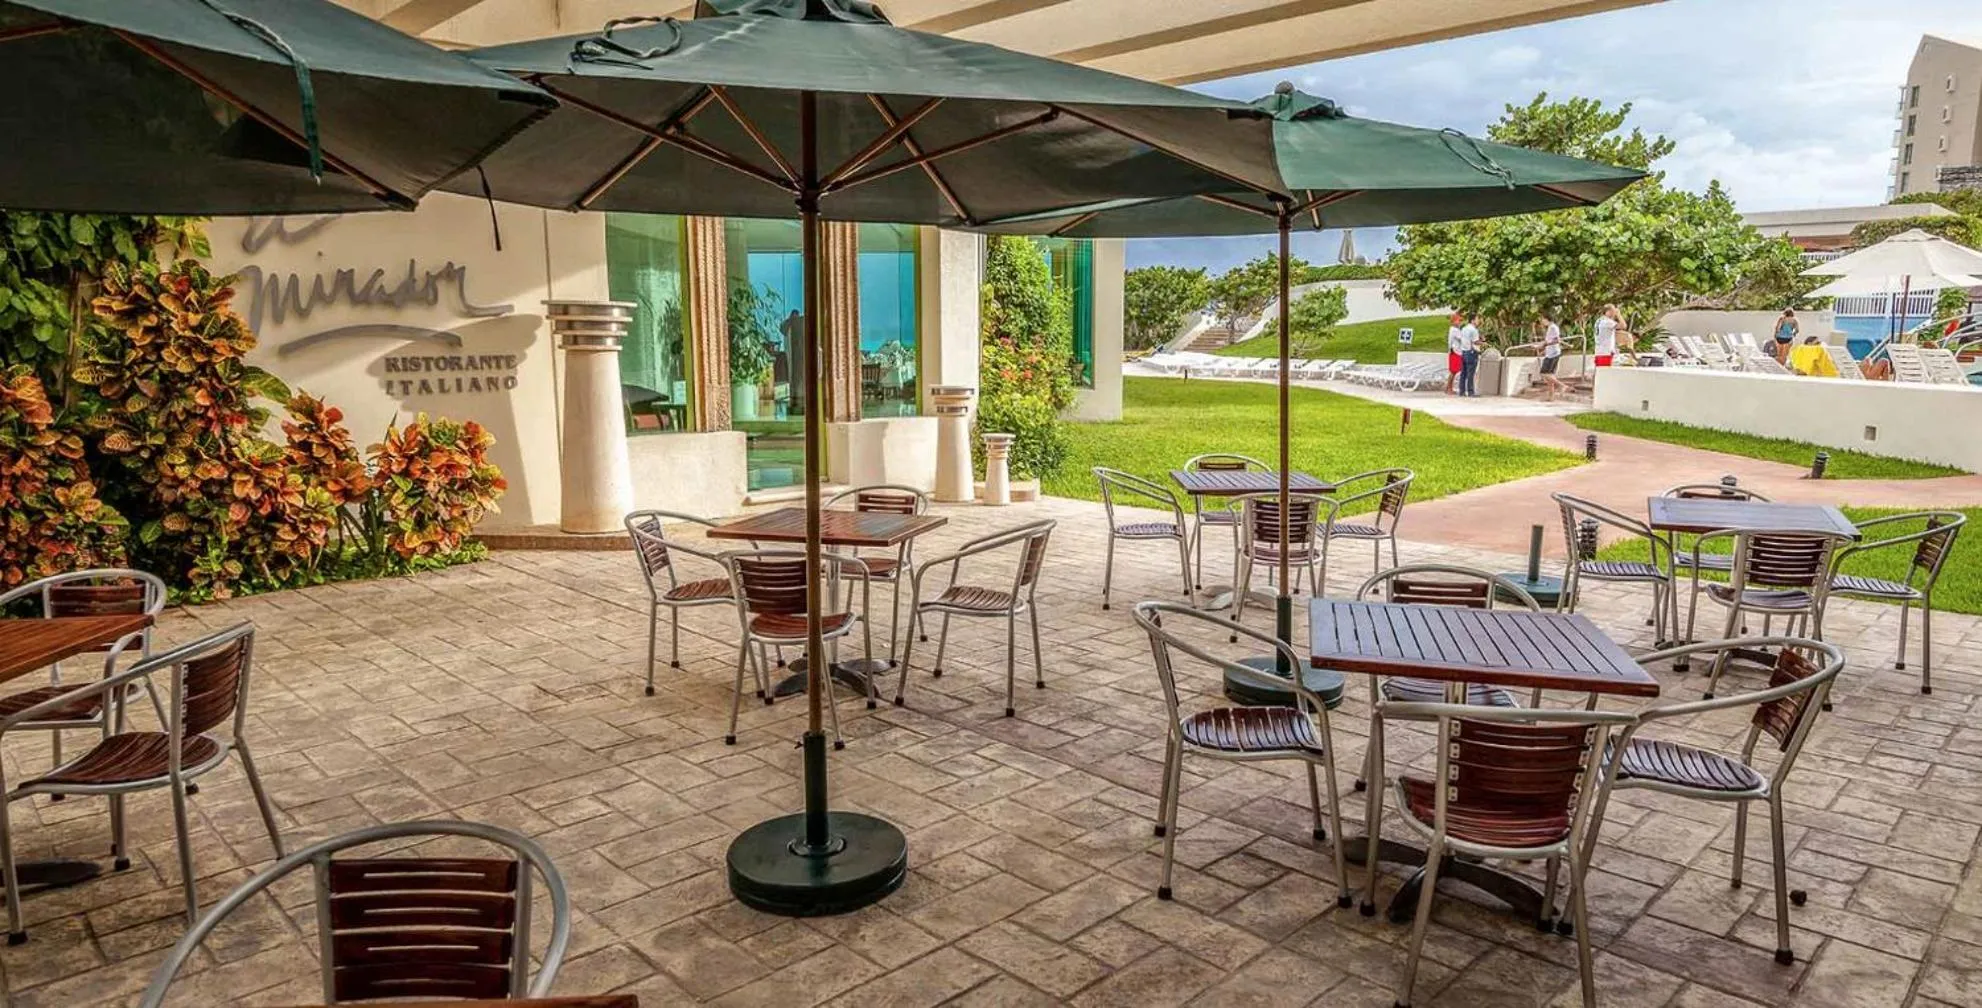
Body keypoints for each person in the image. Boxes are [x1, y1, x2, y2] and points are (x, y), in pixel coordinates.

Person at [1537, 314, 1565, 400]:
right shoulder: (1550, 328)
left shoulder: (1553, 327)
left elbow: (1557, 340)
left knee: (1544, 373)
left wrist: (1542, 345)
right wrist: (1543, 349)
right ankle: (1551, 397)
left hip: (1553, 354)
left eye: (1542, 319)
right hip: (1549, 353)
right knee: (1550, 376)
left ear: (1547, 319)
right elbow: (1549, 341)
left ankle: (1561, 385)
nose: (1542, 322)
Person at [1457, 313, 1483, 397]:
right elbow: (1475, 341)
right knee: (1471, 373)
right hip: (1472, 352)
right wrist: (1483, 343)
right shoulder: (1474, 330)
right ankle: (1471, 392)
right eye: (1477, 319)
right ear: (1472, 320)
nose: (1478, 321)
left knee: (1463, 373)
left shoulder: (1464, 328)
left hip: (1464, 352)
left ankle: (1462, 391)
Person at [1445, 311, 1466, 395]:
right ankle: (1449, 388)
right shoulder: (1455, 330)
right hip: (1455, 352)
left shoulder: (1454, 329)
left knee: (1454, 371)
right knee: (1453, 371)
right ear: (1453, 321)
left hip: (1454, 351)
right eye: (1458, 321)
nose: (1460, 322)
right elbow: (1462, 338)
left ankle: (1448, 388)